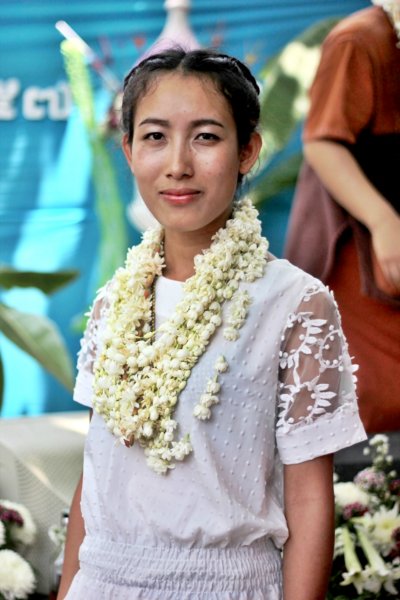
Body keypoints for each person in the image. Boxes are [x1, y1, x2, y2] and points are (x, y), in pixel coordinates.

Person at [58, 48, 366, 600]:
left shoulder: (294, 303)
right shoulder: (114, 303)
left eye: (205, 137)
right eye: (155, 136)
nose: (177, 164)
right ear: (128, 150)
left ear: (248, 150)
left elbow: (309, 499)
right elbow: (96, 479)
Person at [284, 1, 400, 433]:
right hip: (363, 244)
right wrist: (383, 222)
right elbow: (321, 142)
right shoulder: (360, 40)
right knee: (373, 399)